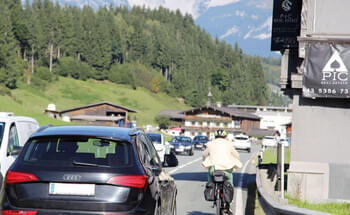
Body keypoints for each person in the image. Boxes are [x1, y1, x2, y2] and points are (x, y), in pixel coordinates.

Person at [202, 129, 242, 214]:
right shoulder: (229, 144)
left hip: (214, 169)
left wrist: (205, 159)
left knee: (210, 177)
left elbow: (204, 154)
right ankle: (228, 204)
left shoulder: (210, 144)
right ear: (225, 136)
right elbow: (236, 155)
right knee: (230, 182)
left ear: (215, 136)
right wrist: (236, 160)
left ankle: (211, 189)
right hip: (226, 169)